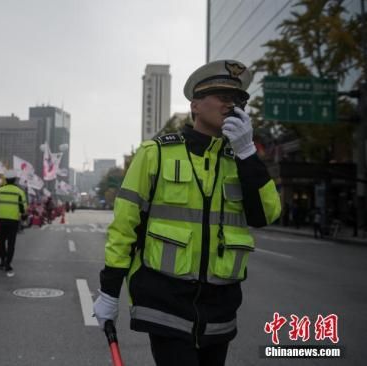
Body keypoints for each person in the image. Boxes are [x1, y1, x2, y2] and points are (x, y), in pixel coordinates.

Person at [93, 60, 281, 366]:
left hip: (220, 312)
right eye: (222, 96)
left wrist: (248, 154)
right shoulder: (155, 154)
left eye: (236, 100)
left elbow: (266, 214)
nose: (229, 105)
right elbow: (125, 227)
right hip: (165, 305)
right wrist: (109, 291)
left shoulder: (242, 158)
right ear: (195, 105)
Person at [0, 170, 27, 276]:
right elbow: (23, 207)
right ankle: (8, 263)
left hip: (1, 219)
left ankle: (2, 261)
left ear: (5, 179)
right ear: (15, 179)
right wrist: (23, 215)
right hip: (14, 220)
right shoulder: (20, 192)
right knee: (11, 243)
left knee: (1, 241)